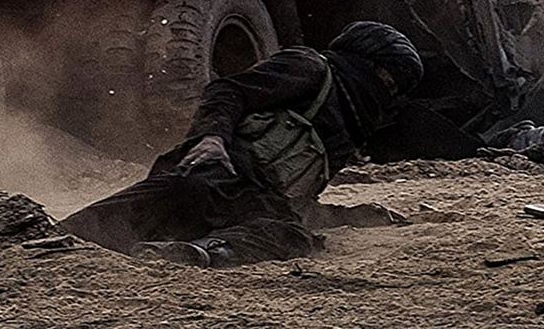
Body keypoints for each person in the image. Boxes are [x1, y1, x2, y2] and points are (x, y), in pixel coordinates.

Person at [62, 21, 424, 268]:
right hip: (222, 172)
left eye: (394, 86)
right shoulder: (311, 69)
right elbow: (228, 91)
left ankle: (193, 254)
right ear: (367, 61)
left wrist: (351, 216)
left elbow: (300, 201)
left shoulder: (348, 129)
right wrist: (212, 138)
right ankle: (54, 235)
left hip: (258, 201)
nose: (386, 90)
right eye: (387, 78)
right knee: (181, 192)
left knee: (292, 235)